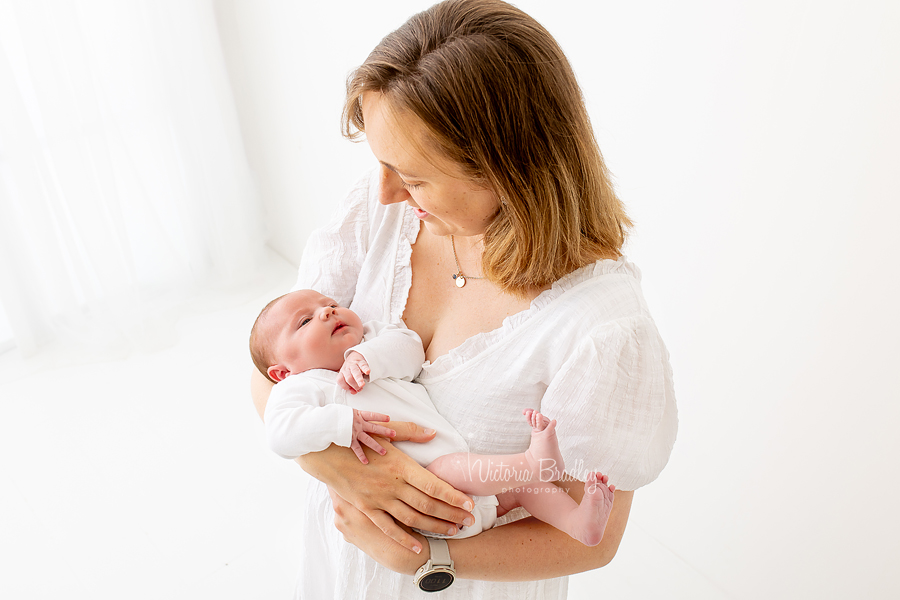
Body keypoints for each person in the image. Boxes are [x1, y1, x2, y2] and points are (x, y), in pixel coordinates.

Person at [250, 1, 677, 597]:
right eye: (381, 160)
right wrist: (333, 464)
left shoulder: (601, 329)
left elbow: (592, 539)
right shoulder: (384, 210)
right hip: (341, 564)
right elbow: (269, 368)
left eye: (417, 176)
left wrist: (427, 557)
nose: (387, 189)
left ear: (509, 167)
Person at [250, 288, 617, 547]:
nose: (327, 311)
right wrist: (341, 424)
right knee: (453, 468)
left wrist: (368, 358)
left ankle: (577, 523)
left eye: (328, 304)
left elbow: (410, 350)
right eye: (305, 322)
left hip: (472, 491)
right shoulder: (300, 389)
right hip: (427, 493)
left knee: (520, 491)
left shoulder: (375, 339)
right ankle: (534, 462)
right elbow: (280, 434)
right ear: (283, 372)